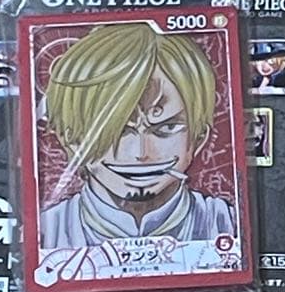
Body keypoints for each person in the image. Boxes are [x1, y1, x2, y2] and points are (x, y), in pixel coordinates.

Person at [40, 23, 234, 249]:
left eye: (167, 128)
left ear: (198, 138)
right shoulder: (45, 231)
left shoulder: (227, 224)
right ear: (71, 138)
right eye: (119, 130)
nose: (141, 153)